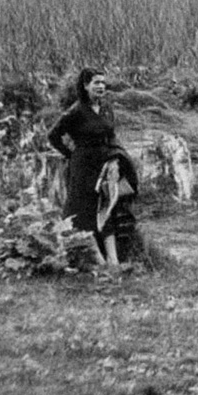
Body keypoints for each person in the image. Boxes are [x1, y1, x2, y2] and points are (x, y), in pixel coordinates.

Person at [47, 68, 139, 266]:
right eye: (96, 82)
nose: (101, 86)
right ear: (85, 85)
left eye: (103, 83)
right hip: (82, 168)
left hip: (104, 165)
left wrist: (115, 158)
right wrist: (70, 154)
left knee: (107, 207)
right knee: (84, 211)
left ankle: (113, 260)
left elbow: (111, 135)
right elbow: (53, 135)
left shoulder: (106, 108)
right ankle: (96, 260)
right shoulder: (76, 111)